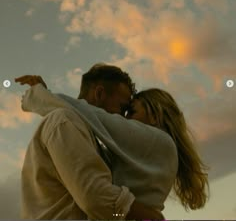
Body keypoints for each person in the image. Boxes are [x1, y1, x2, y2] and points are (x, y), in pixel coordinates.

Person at [16, 67, 209, 218]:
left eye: (130, 111)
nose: (123, 119)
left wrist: (43, 96)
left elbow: (99, 202)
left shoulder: (159, 142)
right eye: (123, 108)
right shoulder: (65, 122)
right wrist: (148, 217)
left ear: (155, 115)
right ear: (99, 93)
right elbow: (96, 201)